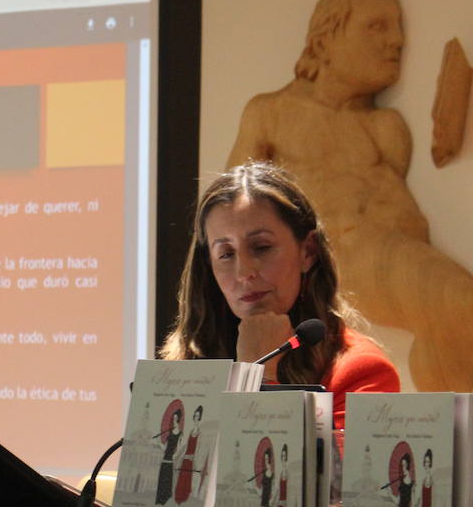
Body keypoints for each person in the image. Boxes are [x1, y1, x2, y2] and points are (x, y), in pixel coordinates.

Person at [228, 0, 473, 390]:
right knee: (456, 302)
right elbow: (230, 212)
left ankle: (433, 442)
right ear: (327, 36)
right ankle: (438, 444)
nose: (396, 41)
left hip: (375, 260)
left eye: (397, 29)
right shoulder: (272, 113)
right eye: (377, 27)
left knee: (458, 304)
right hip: (324, 261)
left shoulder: (387, 129)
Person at [161, 160, 400, 433]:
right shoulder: (184, 368)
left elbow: (269, 471)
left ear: (308, 251)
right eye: (226, 254)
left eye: (261, 247)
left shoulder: (361, 371)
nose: (244, 272)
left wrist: (260, 372)